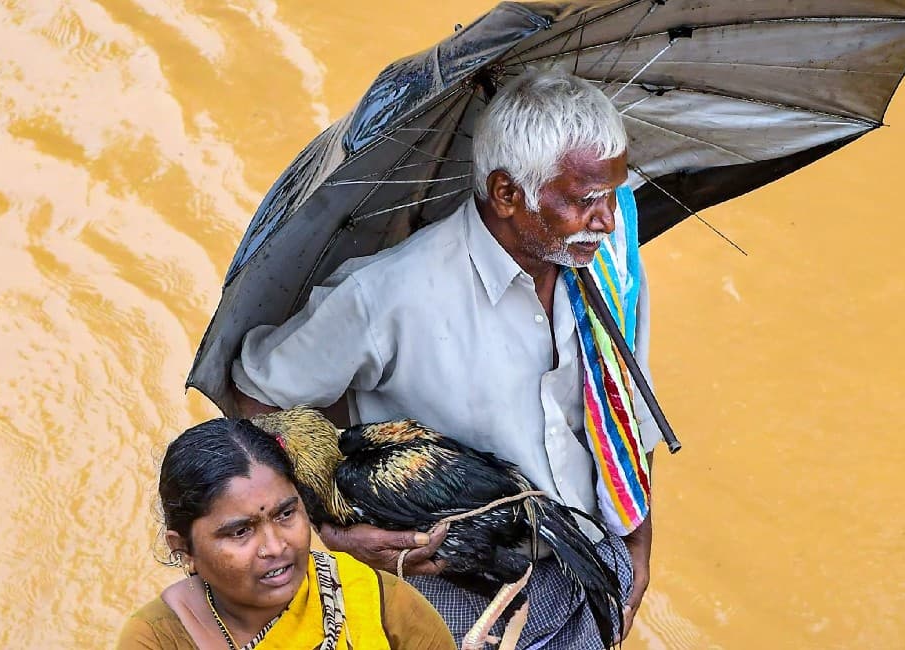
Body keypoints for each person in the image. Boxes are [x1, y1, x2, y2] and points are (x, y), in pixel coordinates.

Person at [231, 68, 661, 648]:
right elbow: (255, 403)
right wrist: (331, 535)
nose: (610, 220)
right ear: (508, 194)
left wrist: (638, 547)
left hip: (585, 556)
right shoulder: (383, 296)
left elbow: (627, 417)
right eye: (586, 200)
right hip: (453, 589)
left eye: (613, 193)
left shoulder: (609, 269)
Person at [117, 418, 455, 650]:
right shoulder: (158, 639)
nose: (276, 546)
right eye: (240, 531)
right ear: (185, 549)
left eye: (286, 514)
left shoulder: (378, 599)